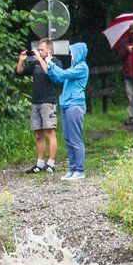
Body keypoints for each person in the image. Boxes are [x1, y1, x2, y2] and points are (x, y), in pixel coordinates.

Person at [35, 42, 89, 181]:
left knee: (76, 139)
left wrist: (49, 62)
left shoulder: (82, 67)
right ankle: (72, 169)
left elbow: (63, 73)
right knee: (68, 139)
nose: (71, 55)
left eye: (72, 52)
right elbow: (58, 78)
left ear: (78, 53)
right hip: (66, 105)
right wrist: (50, 68)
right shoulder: (74, 67)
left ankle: (80, 170)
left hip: (75, 105)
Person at [16, 38, 58, 173]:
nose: (39, 52)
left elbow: (48, 72)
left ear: (49, 49)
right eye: (38, 50)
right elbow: (19, 72)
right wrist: (21, 60)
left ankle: (51, 164)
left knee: (49, 132)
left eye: (42, 49)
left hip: (48, 101)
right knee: (38, 134)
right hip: (36, 102)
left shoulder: (55, 62)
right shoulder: (35, 64)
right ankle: (39, 164)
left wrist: (40, 58)